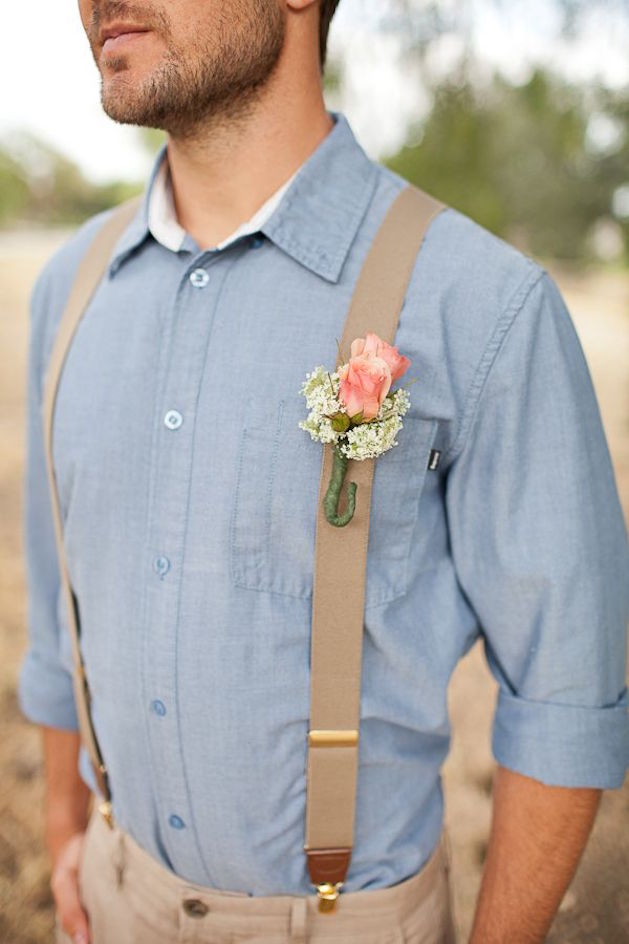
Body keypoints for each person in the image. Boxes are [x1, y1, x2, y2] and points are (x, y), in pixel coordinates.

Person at [18, 1, 629, 942]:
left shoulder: (484, 307)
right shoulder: (69, 288)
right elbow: (64, 630)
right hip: (106, 899)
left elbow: (564, 702)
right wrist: (68, 831)